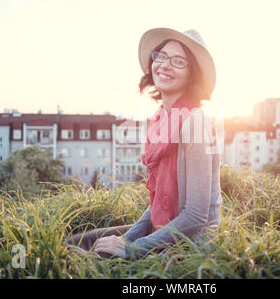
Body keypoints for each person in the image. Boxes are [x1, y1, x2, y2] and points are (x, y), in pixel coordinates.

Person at [65, 28, 222, 260]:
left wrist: (131, 249)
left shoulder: (195, 122)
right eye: (161, 56)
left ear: (193, 74)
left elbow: (196, 216)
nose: (165, 65)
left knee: (87, 260)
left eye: (178, 61)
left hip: (191, 244)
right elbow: (159, 202)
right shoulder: (161, 119)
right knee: (74, 244)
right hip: (163, 226)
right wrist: (127, 238)